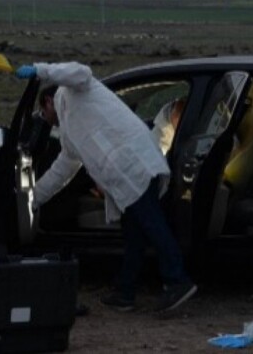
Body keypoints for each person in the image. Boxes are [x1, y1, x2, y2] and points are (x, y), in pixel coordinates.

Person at [16, 61, 197, 312]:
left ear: (48, 102)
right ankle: (126, 292)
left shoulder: (75, 89)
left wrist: (39, 69)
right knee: (135, 234)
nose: (47, 121)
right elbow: (62, 170)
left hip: (136, 167)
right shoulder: (69, 132)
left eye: (44, 114)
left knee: (153, 226)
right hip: (129, 175)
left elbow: (81, 70)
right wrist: (33, 198)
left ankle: (178, 281)